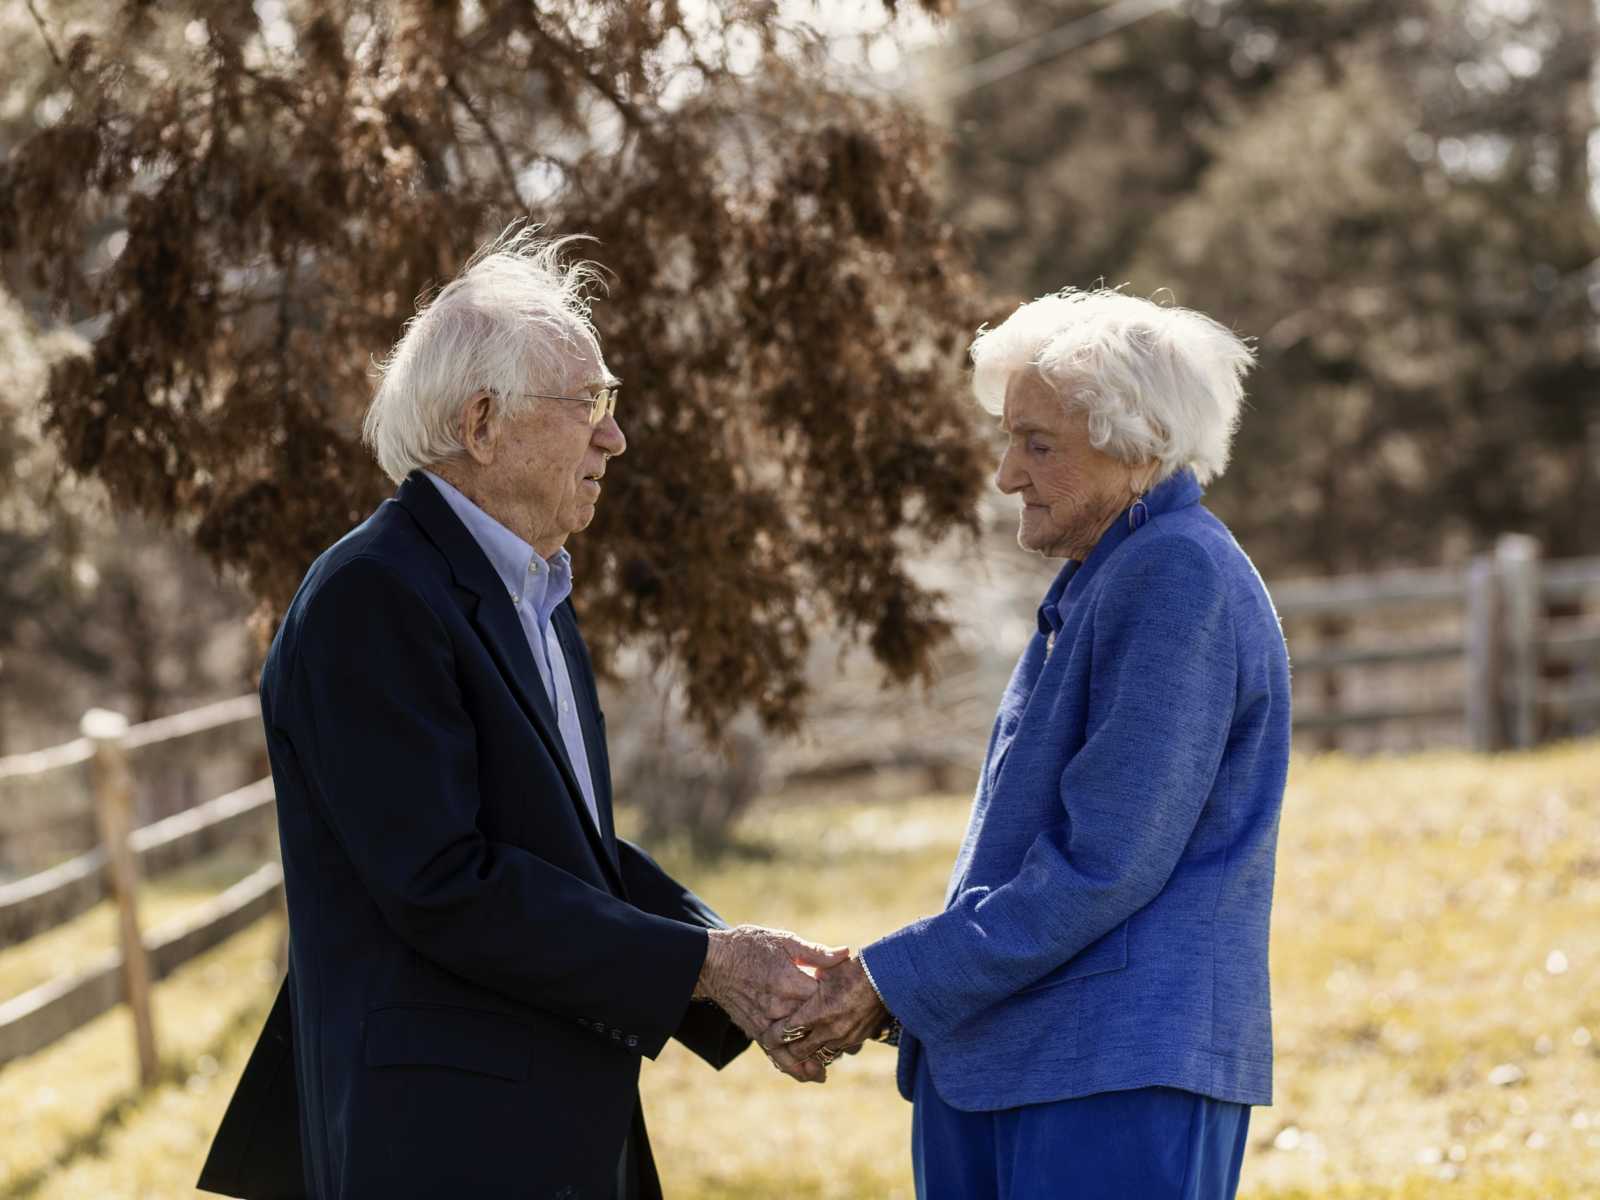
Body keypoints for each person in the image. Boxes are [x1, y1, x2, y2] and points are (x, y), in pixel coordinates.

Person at [198, 230, 841, 1200]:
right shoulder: (371, 596)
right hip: (443, 1147)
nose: (613, 436)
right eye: (588, 403)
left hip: (550, 1124)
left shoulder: (530, 590)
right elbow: (443, 883)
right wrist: (703, 966)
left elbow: (564, 853)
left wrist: (730, 966)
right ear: (484, 421)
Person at [772, 289, 1291, 1200]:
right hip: (1041, 1072)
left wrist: (892, 979)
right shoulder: (1116, 570)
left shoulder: (1174, 574)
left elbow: (1105, 863)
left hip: (1108, 1080)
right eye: (1009, 439)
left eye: (1037, 444)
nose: (1006, 474)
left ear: (1137, 446)